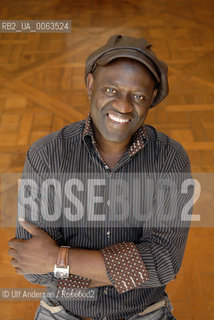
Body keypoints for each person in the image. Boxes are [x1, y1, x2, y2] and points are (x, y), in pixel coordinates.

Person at [8, 35, 193, 320]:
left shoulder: (170, 159)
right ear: (91, 84)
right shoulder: (47, 155)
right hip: (63, 312)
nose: (124, 106)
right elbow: (34, 269)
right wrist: (129, 270)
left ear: (152, 98)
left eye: (139, 96)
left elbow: (163, 264)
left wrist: (59, 258)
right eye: (111, 89)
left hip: (144, 313)